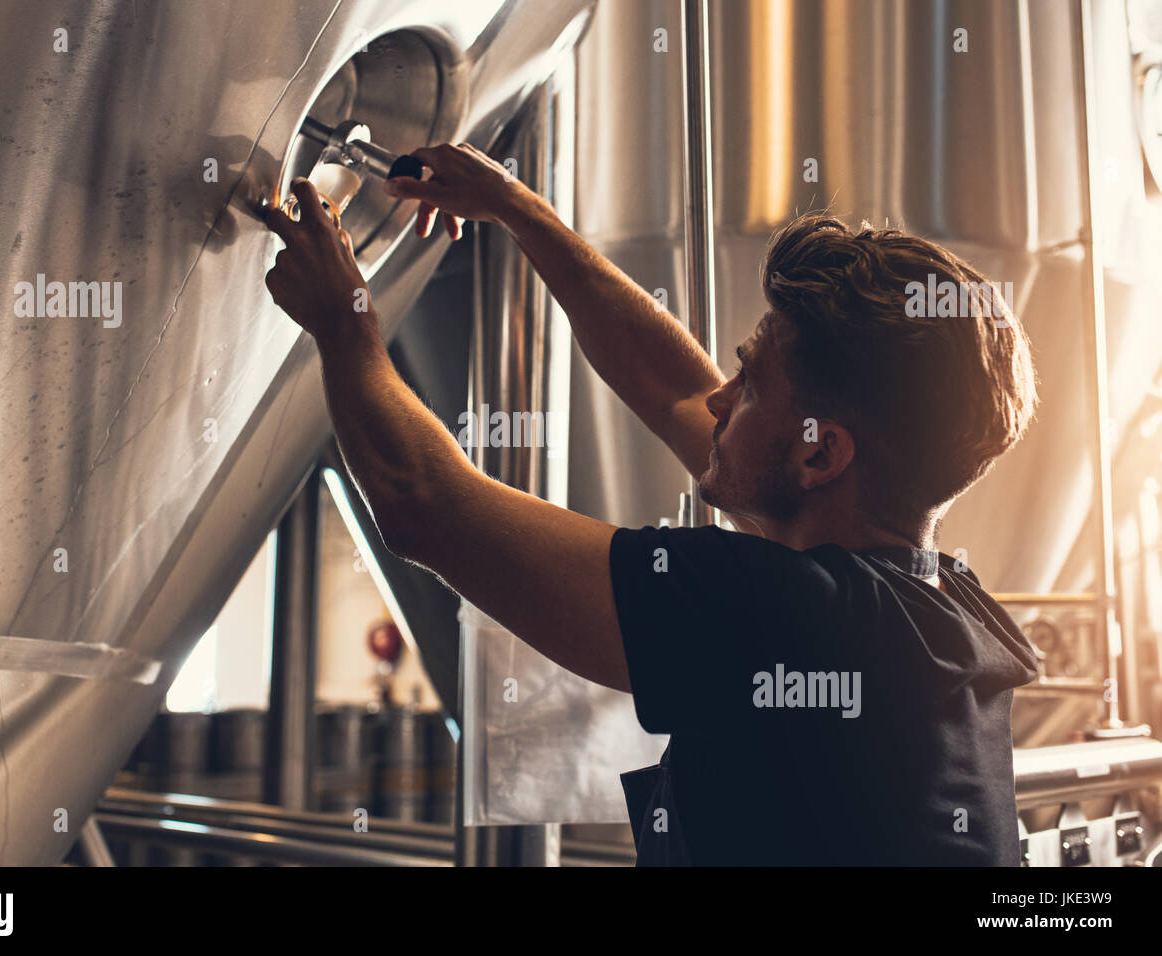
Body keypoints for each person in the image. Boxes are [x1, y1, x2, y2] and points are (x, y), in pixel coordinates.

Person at [262, 142, 1040, 865]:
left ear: (819, 454)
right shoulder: (936, 604)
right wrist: (516, 208)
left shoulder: (797, 620)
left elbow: (423, 504)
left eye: (749, 383)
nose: (719, 402)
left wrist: (343, 319)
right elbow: (675, 390)